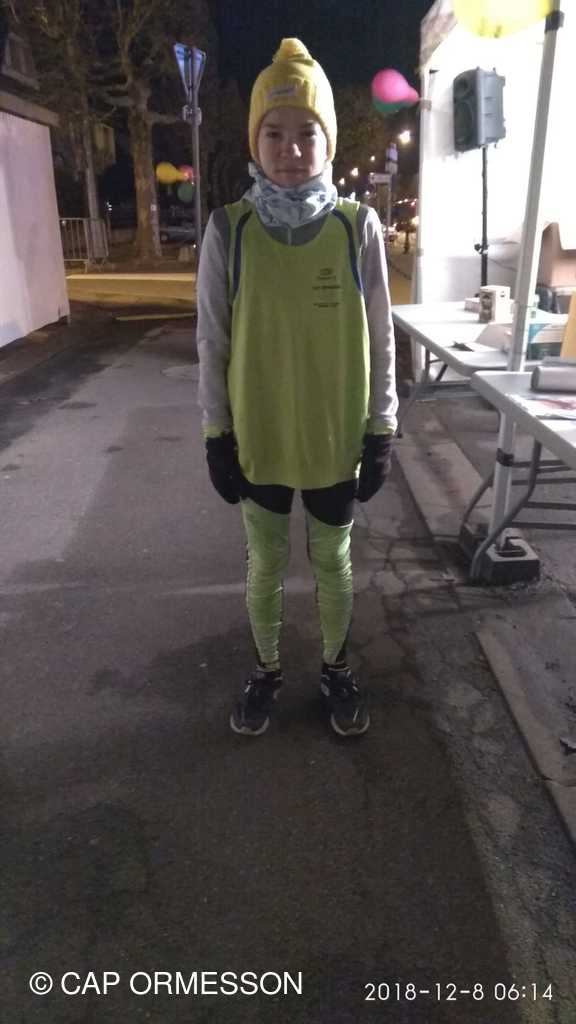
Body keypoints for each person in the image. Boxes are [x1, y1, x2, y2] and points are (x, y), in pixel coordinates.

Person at [197, 38, 398, 738]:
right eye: (274, 134)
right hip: (260, 437)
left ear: (328, 142)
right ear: (255, 143)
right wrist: (216, 433)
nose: (290, 149)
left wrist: (382, 427)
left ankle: (336, 669)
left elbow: (381, 336)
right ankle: (267, 670)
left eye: (306, 133)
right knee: (265, 565)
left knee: (334, 562)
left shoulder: (357, 227)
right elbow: (212, 342)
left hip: (334, 435)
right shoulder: (229, 230)